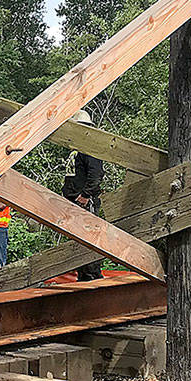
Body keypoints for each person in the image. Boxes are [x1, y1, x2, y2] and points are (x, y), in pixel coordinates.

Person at [61, 110, 106, 281]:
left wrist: (86, 195)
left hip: (85, 201)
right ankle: (83, 274)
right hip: (74, 200)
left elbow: (96, 173)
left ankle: (92, 276)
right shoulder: (77, 148)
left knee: (89, 238)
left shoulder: (89, 146)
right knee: (79, 240)